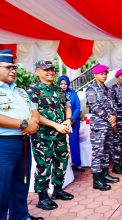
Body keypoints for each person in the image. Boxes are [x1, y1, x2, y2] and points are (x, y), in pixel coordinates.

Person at [0, 49, 43, 220]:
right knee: (2, 189)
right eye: (8, 67)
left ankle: (21, 216)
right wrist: (24, 124)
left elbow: (34, 111)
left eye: (14, 67)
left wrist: (33, 122)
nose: (13, 70)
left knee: (21, 184)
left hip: (24, 142)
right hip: (4, 144)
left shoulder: (21, 91)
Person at [26, 60, 74, 211]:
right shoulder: (32, 90)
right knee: (43, 166)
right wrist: (56, 125)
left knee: (61, 161)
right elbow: (35, 115)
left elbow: (67, 106)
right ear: (37, 71)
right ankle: (43, 197)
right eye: (46, 69)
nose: (50, 72)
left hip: (60, 135)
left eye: (52, 69)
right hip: (42, 137)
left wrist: (67, 119)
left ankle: (58, 190)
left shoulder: (59, 89)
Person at [86, 64, 119, 191]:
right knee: (98, 153)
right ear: (95, 75)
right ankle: (97, 179)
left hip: (108, 125)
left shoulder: (107, 89)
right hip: (99, 126)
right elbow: (94, 107)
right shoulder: (91, 89)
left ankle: (105, 174)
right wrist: (109, 117)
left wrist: (114, 116)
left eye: (105, 73)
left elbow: (113, 105)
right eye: (101, 74)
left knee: (106, 151)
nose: (104, 75)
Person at [58, 75, 84, 172]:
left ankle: (76, 164)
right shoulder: (56, 93)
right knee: (62, 145)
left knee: (74, 144)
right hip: (60, 124)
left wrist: (72, 119)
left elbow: (77, 107)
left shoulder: (73, 93)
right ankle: (65, 166)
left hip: (73, 123)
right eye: (61, 84)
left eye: (65, 84)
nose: (63, 86)